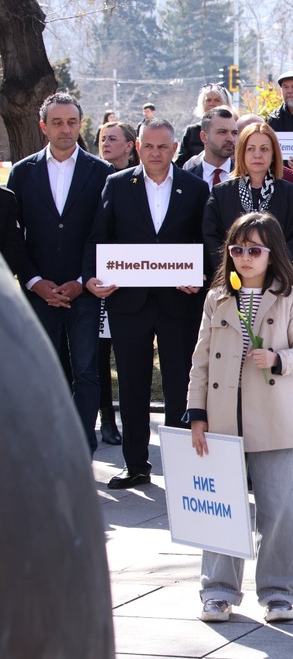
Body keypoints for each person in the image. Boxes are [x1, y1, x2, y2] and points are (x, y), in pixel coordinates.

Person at [186, 212, 293, 624]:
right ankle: (217, 590)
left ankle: (280, 592)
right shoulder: (217, 298)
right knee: (221, 506)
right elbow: (202, 360)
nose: (245, 257)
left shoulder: (289, 297)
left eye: (254, 250)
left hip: (273, 416)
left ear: (272, 253)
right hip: (223, 415)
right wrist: (197, 414)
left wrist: (278, 359)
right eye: (237, 249)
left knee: (278, 508)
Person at [84, 119, 210, 489]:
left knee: (179, 385)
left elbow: (205, 239)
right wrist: (92, 276)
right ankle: (136, 464)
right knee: (132, 386)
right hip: (129, 302)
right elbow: (99, 236)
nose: (155, 153)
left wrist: (201, 274)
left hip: (179, 303)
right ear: (137, 147)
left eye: (162, 146)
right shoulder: (117, 184)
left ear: (174, 149)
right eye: (149, 146)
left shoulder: (195, 187)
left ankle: (180, 466)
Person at [8, 92, 115, 454]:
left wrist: (83, 281)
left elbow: (104, 233)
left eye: (71, 122)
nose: (65, 129)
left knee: (85, 371)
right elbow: (12, 237)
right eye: (57, 122)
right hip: (38, 293)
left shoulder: (102, 172)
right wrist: (35, 282)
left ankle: (83, 448)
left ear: (80, 125)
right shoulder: (23, 172)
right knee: (42, 373)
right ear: (43, 126)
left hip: (83, 292)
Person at [203, 122, 293, 279]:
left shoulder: (292, 194)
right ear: (241, 152)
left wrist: (273, 273)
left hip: (279, 282)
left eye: (264, 149)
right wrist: (235, 272)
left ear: (273, 154)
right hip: (232, 281)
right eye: (251, 149)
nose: (257, 155)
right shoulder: (221, 194)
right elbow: (212, 239)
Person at [95, 121, 139, 446]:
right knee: (100, 354)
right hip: (103, 279)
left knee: (128, 357)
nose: (106, 143)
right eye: (102, 139)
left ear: (129, 145)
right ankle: (106, 419)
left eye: (113, 138)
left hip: (136, 280)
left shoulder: (140, 179)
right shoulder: (96, 178)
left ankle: (130, 422)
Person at [176, 85, 232, 168]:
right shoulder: (192, 131)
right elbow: (180, 164)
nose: (212, 104)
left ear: (225, 104)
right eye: (208, 100)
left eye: (217, 100)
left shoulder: (234, 131)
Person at [187, 108, 239, 187]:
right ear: (204, 137)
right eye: (222, 132)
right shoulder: (186, 180)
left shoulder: (246, 178)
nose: (230, 139)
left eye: (234, 133)